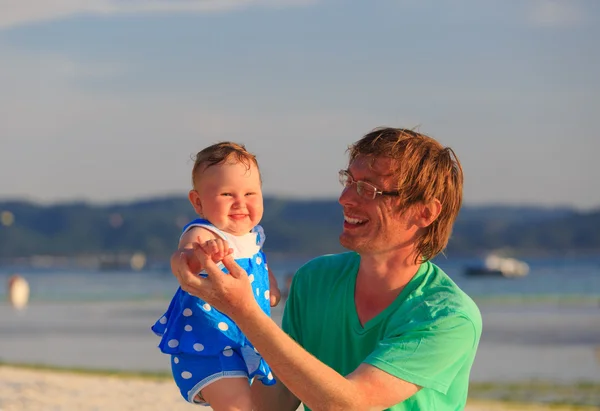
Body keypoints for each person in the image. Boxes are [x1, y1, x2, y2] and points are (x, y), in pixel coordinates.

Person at [172, 127, 483, 411]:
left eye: (368, 190)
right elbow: (277, 399)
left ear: (425, 212)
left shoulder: (448, 316)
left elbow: (350, 404)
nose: (345, 198)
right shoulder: (314, 280)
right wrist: (211, 365)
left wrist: (242, 309)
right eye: (349, 181)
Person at [151, 141, 281, 410]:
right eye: (226, 194)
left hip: (244, 340)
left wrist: (272, 289)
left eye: (250, 194)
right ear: (198, 202)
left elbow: (260, 267)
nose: (240, 203)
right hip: (208, 343)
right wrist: (201, 256)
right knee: (239, 407)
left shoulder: (253, 236)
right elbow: (182, 260)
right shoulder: (203, 234)